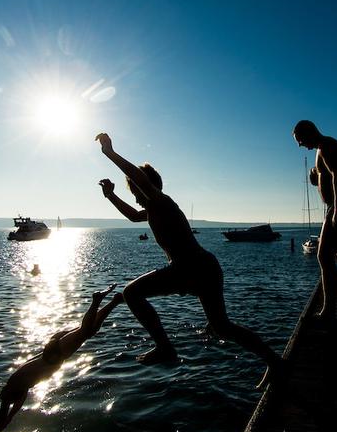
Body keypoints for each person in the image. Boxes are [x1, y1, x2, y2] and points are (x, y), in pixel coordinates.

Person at [95, 132, 283, 383]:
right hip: (203, 268)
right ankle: (275, 361)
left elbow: (140, 179)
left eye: (136, 191)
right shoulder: (152, 209)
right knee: (222, 327)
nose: (136, 196)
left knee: (131, 293)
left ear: (146, 186)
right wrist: (111, 196)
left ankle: (165, 348)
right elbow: (132, 216)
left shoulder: (160, 200)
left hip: (193, 267)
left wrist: (110, 153)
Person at [0, 284, 123, 432]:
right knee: (88, 331)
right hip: (53, 350)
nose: (7, 402)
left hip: (53, 355)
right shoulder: (21, 389)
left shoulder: (17, 383)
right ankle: (114, 302)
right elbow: (9, 416)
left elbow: (4, 415)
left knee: (85, 331)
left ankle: (97, 300)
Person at [292, 120, 337, 320]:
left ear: (308, 132)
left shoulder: (327, 147)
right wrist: (317, 178)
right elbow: (331, 177)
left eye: (300, 140)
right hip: (335, 208)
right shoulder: (323, 148)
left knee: (333, 259)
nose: (300, 145)